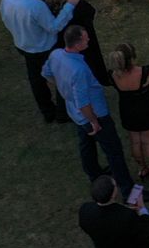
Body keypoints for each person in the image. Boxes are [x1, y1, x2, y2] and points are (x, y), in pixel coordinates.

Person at [47, 24, 141, 192]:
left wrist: (63, 88)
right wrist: (94, 121)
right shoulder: (79, 70)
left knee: (86, 146)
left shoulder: (56, 55)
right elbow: (83, 103)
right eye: (85, 38)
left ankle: (94, 174)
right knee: (114, 152)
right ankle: (128, 191)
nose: (89, 39)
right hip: (94, 116)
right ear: (77, 44)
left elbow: (47, 73)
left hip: (75, 113)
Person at [0, 0, 79, 124]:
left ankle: (47, 112)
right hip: (43, 48)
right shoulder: (36, 6)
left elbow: (4, 17)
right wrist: (70, 5)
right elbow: (54, 27)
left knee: (36, 80)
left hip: (23, 45)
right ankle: (63, 114)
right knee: (60, 77)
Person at [109, 43, 149, 182]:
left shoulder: (114, 75)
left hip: (127, 110)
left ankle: (142, 168)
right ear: (132, 57)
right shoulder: (143, 72)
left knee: (135, 141)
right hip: (145, 109)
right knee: (148, 141)